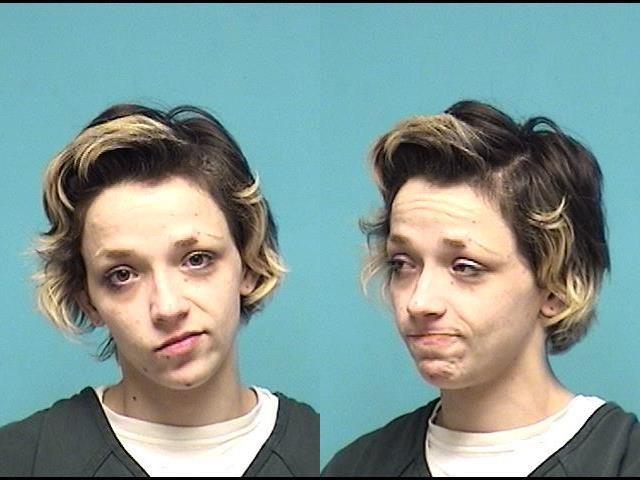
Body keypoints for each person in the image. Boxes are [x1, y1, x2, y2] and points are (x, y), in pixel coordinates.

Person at [322, 100, 640, 476]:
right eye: (403, 264)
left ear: (554, 287)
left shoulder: (620, 459)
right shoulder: (356, 467)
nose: (419, 302)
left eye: (465, 267)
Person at [0, 103, 319, 476]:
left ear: (248, 262)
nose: (167, 307)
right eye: (122, 275)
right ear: (88, 301)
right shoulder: (20, 460)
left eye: (196, 259)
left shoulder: (318, 453)